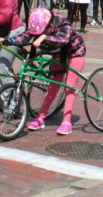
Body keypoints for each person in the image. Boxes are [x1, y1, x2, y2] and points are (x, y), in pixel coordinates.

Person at [15, 8, 87, 136]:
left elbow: (63, 39)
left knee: (69, 86)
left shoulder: (63, 24)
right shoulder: (40, 24)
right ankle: (40, 118)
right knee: (53, 85)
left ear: (51, 25)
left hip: (75, 53)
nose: (38, 35)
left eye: (42, 32)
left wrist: (44, 37)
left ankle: (67, 121)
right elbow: (26, 36)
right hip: (58, 54)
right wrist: (10, 40)